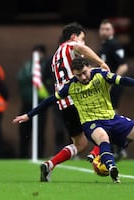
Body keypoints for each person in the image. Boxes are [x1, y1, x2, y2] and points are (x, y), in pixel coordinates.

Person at [13, 57, 134, 184]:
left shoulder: (100, 74)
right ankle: (111, 166)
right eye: (79, 75)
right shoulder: (70, 86)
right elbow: (50, 100)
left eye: (85, 72)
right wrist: (29, 115)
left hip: (112, 118)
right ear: (74, 75)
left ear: (89, 67)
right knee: (103, 138)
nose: (83, 77)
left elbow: (119, 80)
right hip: (91, 123)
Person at [15, 22, 110, 172]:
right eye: (82, 38)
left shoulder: (55, 57)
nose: (83, 42)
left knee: (80, 144)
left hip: (64, 105)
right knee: (108, 124)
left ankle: (50, 164)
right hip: (79, 100)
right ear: (73, 37)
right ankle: (96, 158)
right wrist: (101, 63)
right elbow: (81, 48)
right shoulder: (71, 46)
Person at [87, 19, 129, 162]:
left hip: (113, 86)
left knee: (111, 116)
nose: (104, 31)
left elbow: (123, 66)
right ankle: (115, 148)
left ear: (112, 31)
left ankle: (118, 148)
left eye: (107, 29)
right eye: (102, 29)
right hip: (104, 87)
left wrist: (112, 82)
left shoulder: (114, 45)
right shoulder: (103, 46)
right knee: (107, 116)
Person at [17, 44, 51, 158]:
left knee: (39, 132)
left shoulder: (47, 65)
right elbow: (20, 78)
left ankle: (39, 155)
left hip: (41, 104)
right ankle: (23, 155)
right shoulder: (27, 65)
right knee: (24, 131)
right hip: (27, 103)